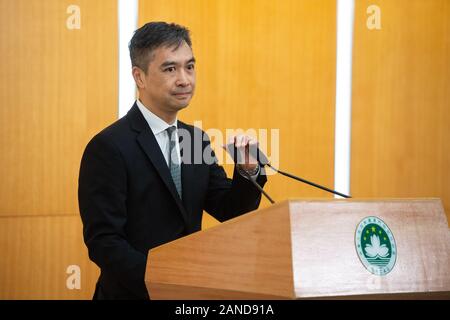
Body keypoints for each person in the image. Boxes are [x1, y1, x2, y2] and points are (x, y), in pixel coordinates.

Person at [78, 21, 267, 300]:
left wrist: (248, 169)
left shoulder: (195, 140)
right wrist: (163, 280)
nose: (184, 79)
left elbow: (230, 211)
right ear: (139, 77)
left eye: (189, 67)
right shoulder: (108, 147)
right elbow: (104, 243)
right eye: (170, 69)